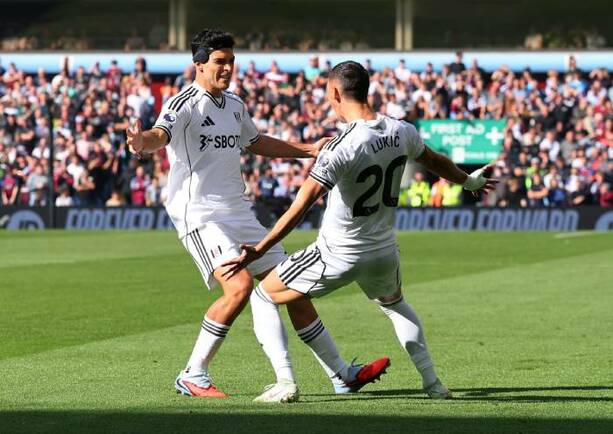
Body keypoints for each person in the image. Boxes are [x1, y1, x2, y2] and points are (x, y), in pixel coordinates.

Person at [126, 30, 387, 403]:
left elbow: (256, 142)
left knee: (291, 287)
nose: (227, 68)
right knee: (240, 287)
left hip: (239, 212)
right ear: (198, 65)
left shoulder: (234, 104)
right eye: (219, 62)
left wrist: (307, 149)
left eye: (231, 61)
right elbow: (159, 134)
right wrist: (141, 143)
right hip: (201, 214)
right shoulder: (184, 102)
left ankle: (341, 374)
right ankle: (192, 374)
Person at [223, 61, 497, 399]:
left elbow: (300, 206)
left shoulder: (343, 146)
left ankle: (285, 383)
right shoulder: (402, 130)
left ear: (336, 93)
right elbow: (435, 160)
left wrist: (261, 248)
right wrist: (468, 181)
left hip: (336, 253)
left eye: (328, 95)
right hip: (383, 252)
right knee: (396, 306)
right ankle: (433, 383)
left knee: (264, 295)